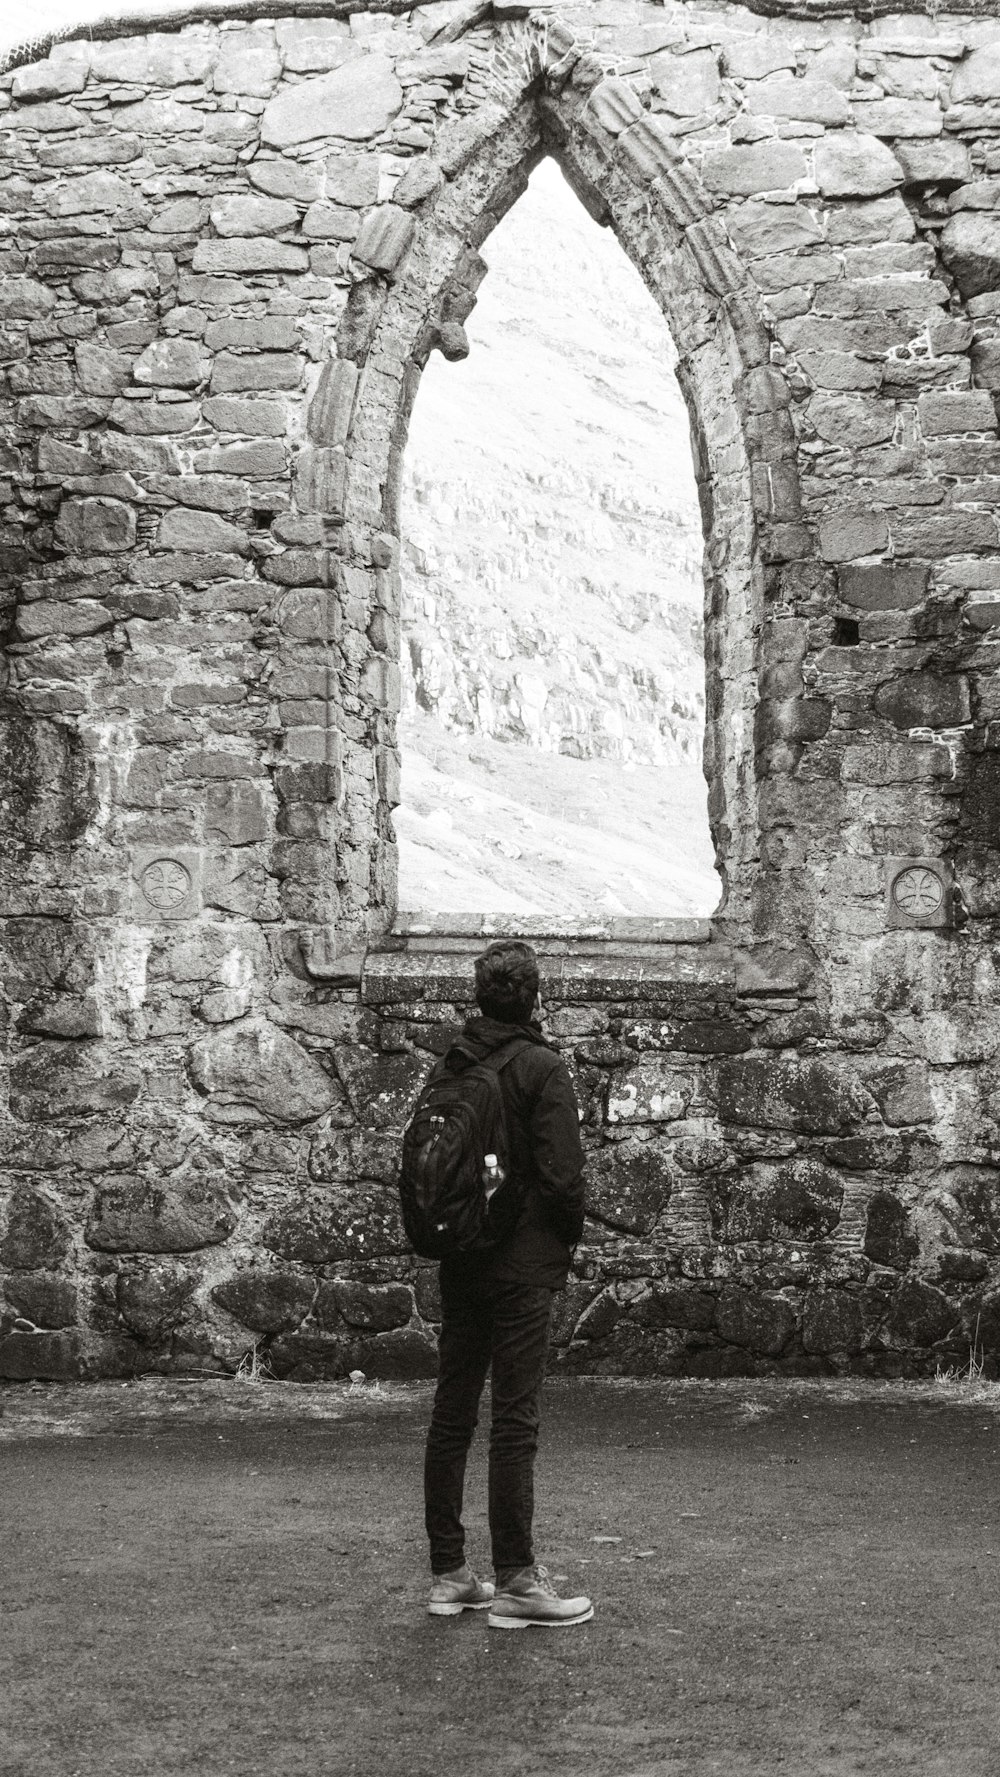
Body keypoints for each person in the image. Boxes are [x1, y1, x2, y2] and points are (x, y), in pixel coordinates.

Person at [423, 938, 593, 1629]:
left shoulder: (452, 1065)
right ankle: (518, 1581)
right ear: (535, 998)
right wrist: (563, 1237)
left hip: (462, 1255)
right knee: (514, 1419)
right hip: (521, 1265)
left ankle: (450, 1575)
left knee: (453, 1412)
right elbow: (563, 1177)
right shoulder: (543, 1068)